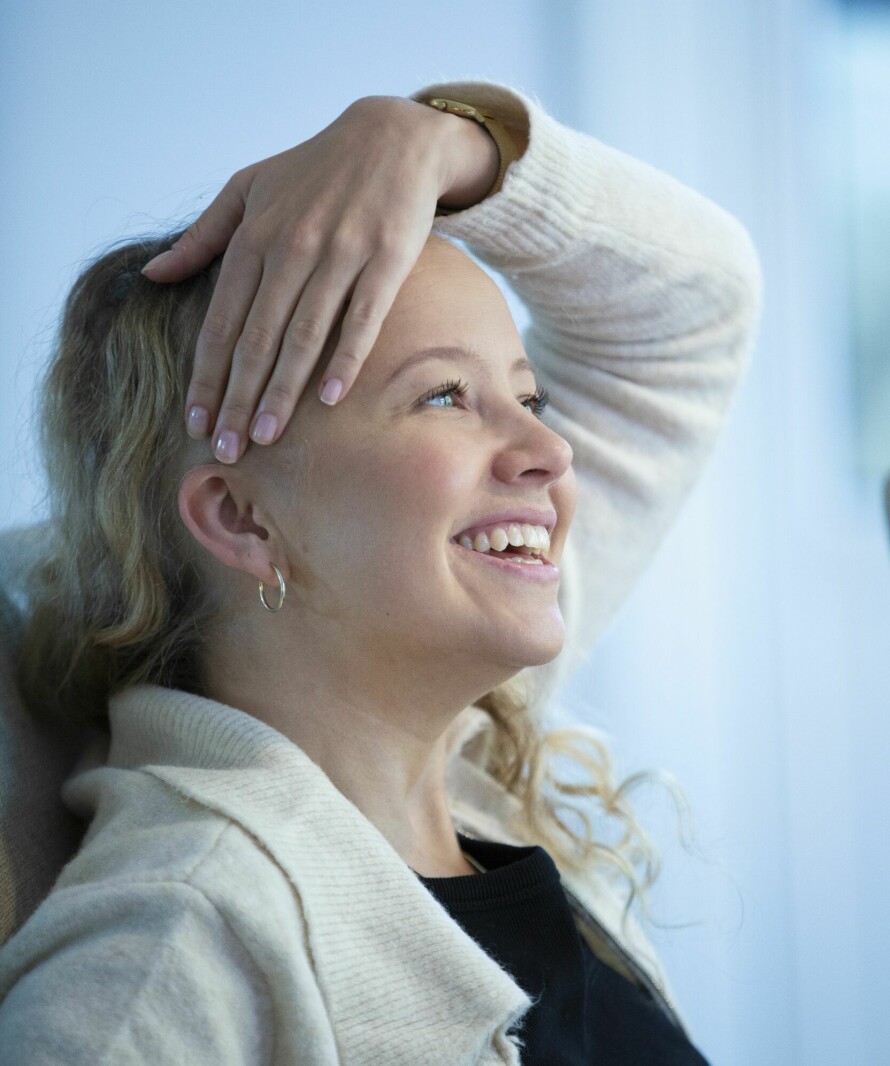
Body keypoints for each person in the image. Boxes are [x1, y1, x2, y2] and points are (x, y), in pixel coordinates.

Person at [0, 77, 761, 1064]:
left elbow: (693, 305)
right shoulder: (160, 965)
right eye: (444, 395)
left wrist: (437, 142)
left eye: (528, 398)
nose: (549, 451)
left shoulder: (473, 763)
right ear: (242, 519)